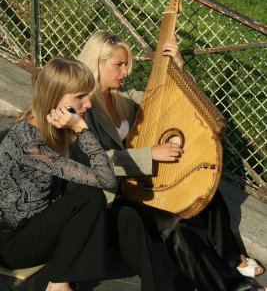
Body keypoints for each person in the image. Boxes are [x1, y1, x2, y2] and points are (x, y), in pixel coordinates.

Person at [77, 30, 266, 291]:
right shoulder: (84, 107)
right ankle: (233, 286)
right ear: (97, 62)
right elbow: (95, 163)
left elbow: (171, 99)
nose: (126, 71)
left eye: (127, 65)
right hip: (113, 195)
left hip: (139, 181)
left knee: (204, 185)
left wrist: (178, 66)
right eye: (119, 65)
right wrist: (151, 154)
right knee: (173, 225)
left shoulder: (123, 98)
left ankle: (233, 258)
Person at [0, 56, 181, 291]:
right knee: (89, 195)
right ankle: (58, 285)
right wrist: (81, 128)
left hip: (48, 226)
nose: (88, 103)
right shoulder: (29, 142)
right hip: (15, 242)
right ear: (55, 98)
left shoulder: (59, 132)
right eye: (80, 97)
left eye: (88, 95)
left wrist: (77, 130)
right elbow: (103, 180)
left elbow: (103, 174)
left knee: (126, 218)